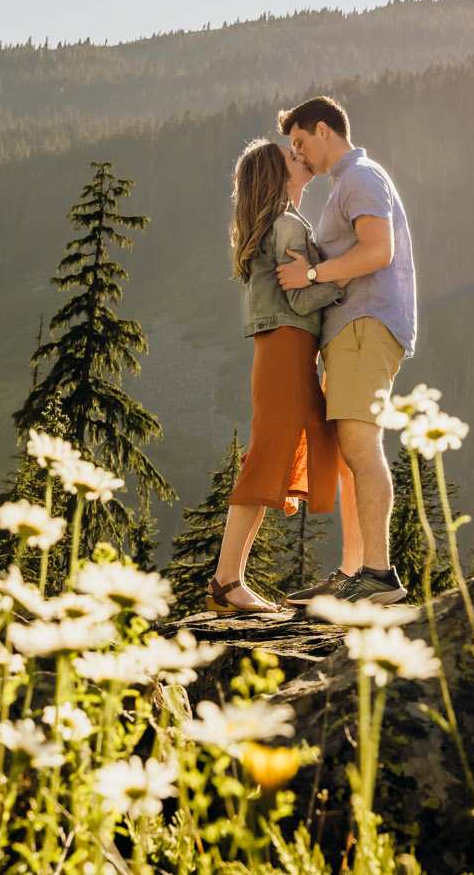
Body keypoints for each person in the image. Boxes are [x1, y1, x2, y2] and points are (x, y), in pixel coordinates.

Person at [275, 95, 417, 607]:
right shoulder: (348, 183)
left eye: (299, 142)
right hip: (353, 330)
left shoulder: (360, 177)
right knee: (350, 457)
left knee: (360, 448)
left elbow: (379, 250)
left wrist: (310, 273)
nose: (299, 153)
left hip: (364, 323)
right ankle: (356, 570)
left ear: (323, 130)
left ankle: (378, 575)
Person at [211, 138, 346, 612]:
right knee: (270, 457)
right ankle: (227, 582)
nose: (302, 157)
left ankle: (231, 581)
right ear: (279, 176)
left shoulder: (269, 226)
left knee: (286, 451)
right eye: (293, 157)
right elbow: (302, 298)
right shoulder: (287, 225)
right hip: (289, 348)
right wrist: (346, 277)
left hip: (280, 352)